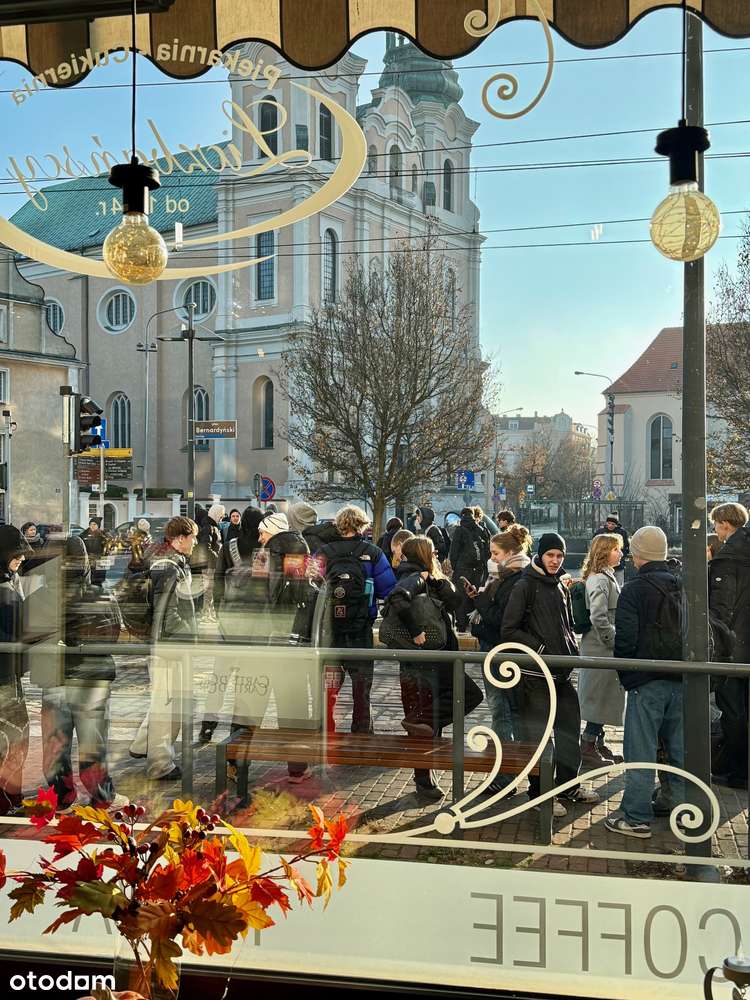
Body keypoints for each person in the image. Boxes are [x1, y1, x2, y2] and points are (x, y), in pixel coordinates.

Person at [501, 532, 598, 817]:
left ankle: (567, 786)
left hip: (561, 673)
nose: (555, 560)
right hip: (535, 675)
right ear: (540, 556)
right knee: (540, 738)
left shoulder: (559, 585)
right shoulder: (525, 585)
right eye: (550, 555)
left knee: (569, 731)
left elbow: (564, 625)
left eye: (559, 556)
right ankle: (541, 793)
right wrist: (540, 648)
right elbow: (509, 629)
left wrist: (570, 649)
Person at [382, 536, 483, 802]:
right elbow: (398, 599)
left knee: (431, 719)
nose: (437, 554)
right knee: (462, 698)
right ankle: (424, 780)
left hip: (436, 660)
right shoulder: (412, 577)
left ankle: (424, 742)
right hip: (423, 664)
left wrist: (437, 581)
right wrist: (416, 631)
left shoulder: (427, 578)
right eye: (433, 552)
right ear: (425, 554)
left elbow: (455, 602)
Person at [605, 526, 685, 839]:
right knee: (679, 749)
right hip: (682, 678)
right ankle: (684, 812)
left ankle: (636, 817)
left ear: (638, 554)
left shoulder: (634, 589)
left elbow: (625, 639)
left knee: (641, 750)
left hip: (646, 679)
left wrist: (628, 676)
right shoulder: (681, 583)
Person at [40, 536, 127, 811]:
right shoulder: (100, 595)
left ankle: (61, 797)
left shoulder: (42, 597)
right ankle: (101, 796)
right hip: (91, 681)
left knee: (55, 744)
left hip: (55, 678)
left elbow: (32, 638)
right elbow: (113, 635)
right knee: (93, 744)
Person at [129, 516, 198, 781]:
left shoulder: (166, 561)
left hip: (164, 643)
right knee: (166, 704)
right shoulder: (169, 567)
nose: (195, 542)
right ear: (180, 539)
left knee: (165, 699)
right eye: (193, 537)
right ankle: (160, 764)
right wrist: (191, 634)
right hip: (168, 646)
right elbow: (167, 614)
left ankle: (141, 744)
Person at [320, 505, 396, 733]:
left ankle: (326, 728)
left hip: (330, 630)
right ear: (362, 525)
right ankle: (362, 731)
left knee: (329, 687)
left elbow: (311, 584)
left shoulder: (324, 552)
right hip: (360, 628)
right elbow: (388, 589)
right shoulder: (373, 553)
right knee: (361, 687)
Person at [468, 526, 532, 793]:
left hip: (501, 652)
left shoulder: (515, 579)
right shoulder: (503, 576)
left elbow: (501, 621)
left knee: (502, 712)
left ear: (510, 553)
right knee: (505, 712)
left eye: (495, 553)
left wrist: (481, 602)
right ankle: (507, 772)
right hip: (497, 651)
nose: (491, 558)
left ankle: (505, 775)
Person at [708, 502, 750, 790]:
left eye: (716, 524)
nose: (715, 530)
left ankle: (738, 771)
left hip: (733, 649)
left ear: (725, 524)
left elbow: (720, 611)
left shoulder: (727, 560)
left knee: (733, 710)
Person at [578, 533, 625, 767]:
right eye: (616, 549)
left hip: (601, 646)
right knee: (599, 699)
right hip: (601, 648)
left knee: (603, 698)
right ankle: (588, 746)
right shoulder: (599, 579)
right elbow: (598, 616)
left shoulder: (605, 576)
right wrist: (612, 640)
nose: (621, 553)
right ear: (605, 552)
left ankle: (597, 743)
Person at [0, 526, 31, 814]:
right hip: (4, 676)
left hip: (10, 674)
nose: (21, 558)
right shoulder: (5, 587)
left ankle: (10, 798)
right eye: (16, 553)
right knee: (12, 737)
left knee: (15, 737)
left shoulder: (11, 581)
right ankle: (6, 799)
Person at [449, 507, 488, 630]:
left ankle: (461, 625)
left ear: (462, 516)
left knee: (461, 598)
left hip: (463, 568)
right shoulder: (481, 529)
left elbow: (454, 552)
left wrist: (456, 567)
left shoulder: (460, 530)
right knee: (474, 596)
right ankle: (475, 625)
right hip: (479, 569)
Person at [594, 513, 630, 586]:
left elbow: (626, 547)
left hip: (618, 567)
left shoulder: (622, 533)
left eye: (613, 524)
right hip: (602, 565)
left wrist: (621, 557)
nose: (610, 525)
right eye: (609, 523)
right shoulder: (600, 532)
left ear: (616, 524)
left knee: (618, 585)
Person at [81, 517, 108, 588]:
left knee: (99, 579)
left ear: (98, 525)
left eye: (94, 524)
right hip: (89, 559)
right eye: (90, 524)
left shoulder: (103, 535)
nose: (92, 526)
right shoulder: (84, 534)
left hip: (100, 560)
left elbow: (107, 548)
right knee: (89, 578)